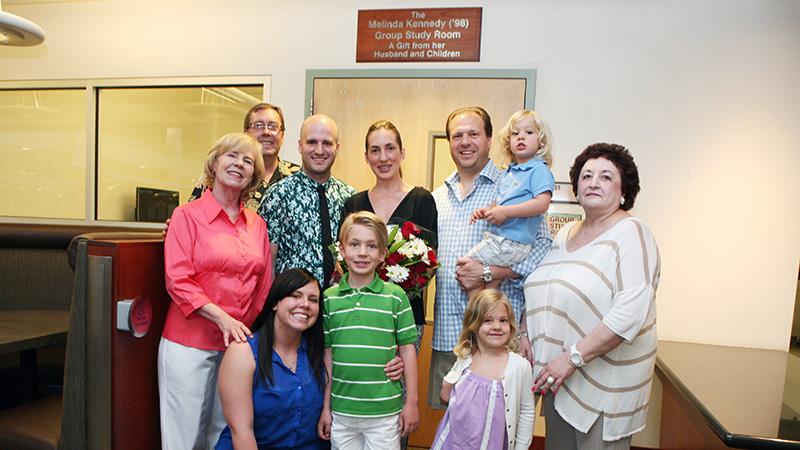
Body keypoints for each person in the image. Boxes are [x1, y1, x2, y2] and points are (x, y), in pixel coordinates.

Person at [525, 143, 660, 450]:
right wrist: (523, 329)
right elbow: (542, 289)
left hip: (602, 387)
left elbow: (631, 312)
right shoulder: (565, 232)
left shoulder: (633, 232)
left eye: (605, 177)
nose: (593, 182)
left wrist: (572, 358)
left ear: (623, 190)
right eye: (586, 176)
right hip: (558, 380)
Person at [429, 106, 552, 409]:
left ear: (488, 140)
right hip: (449, 336)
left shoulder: (513, 186)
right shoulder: (436, 198)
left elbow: (541, 251)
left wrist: (487, 272)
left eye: (473, 133)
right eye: (457, 135)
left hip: (498, 340)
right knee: (453, 427)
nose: (465, 141)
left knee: (497, 429)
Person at [159, 132, 273, 450]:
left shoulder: (257, 225)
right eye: (231, 156)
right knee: (184, 436)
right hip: (188, 342)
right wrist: (223, 319)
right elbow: (177, 279)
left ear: (253, 176)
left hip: (235, 345)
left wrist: (241, 329)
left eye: (248, 161)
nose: (239, 164)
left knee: (223, 432)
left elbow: (262, 286)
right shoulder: (186, 216)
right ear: (215, 162)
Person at [317, 211, 419, 450]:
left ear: (382, 254)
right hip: (342, 410)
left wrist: (411, 402)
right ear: (341, 250)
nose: (362, 253)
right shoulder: (329, 299)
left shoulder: (395, 297)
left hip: (384, 411)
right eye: (354, 244)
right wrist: (325, 407)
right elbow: (328, 357)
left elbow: (408, 351)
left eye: (371, 246)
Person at [342, 120, 438, 346]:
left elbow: (429, 264)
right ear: (366, 157)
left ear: (402, 153)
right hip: (357, 315)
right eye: (375, 150)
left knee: (399, 380)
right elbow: (343, 259)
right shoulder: (353, 204)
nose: (383, 158)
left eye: (390, 148)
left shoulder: (422, 200)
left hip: (405, 316)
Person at [215, 268, 329, 450]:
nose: (305, 304)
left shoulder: (322, 351)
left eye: (313, 300)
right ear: (275, 303)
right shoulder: (243, 352)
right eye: (295, 295)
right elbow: (242, 431)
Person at [258, 114, 356, 289]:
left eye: (327, 143)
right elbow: (267, 264)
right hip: (294, 304)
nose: (319, 150)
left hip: (341, 306)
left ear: (337, 148)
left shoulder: (350, 197)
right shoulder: (278, 195)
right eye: (311, 142)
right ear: (300, 146)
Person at [466, 110, 555, 297]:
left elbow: (542, 204)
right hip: (502, 239)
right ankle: (485, 313)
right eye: (515, 133)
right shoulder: (510, 172)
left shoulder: (538, 169)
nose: (521, 137)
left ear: (541, 141)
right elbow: (498, 204)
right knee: (490, 284)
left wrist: (506, 212)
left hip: (512, 242)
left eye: (529, 132)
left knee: (466, 267)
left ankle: (476, 313)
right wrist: (486, 211)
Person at [432, 289, 534, 450]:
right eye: (488, 320)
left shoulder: (520, 366)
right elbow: (446, 396)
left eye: (503, 320)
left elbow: (526, 412)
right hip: (455, 441)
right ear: (473, 325)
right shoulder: (466, 358)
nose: (497, 327)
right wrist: (448, 386)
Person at [188, 103, 300, 209]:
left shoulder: (298, 178)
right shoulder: (223, 175)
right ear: (246, 133)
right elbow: (193, 215)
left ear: (283, 135)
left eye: (272, 126)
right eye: (258, 125)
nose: (266, 132)